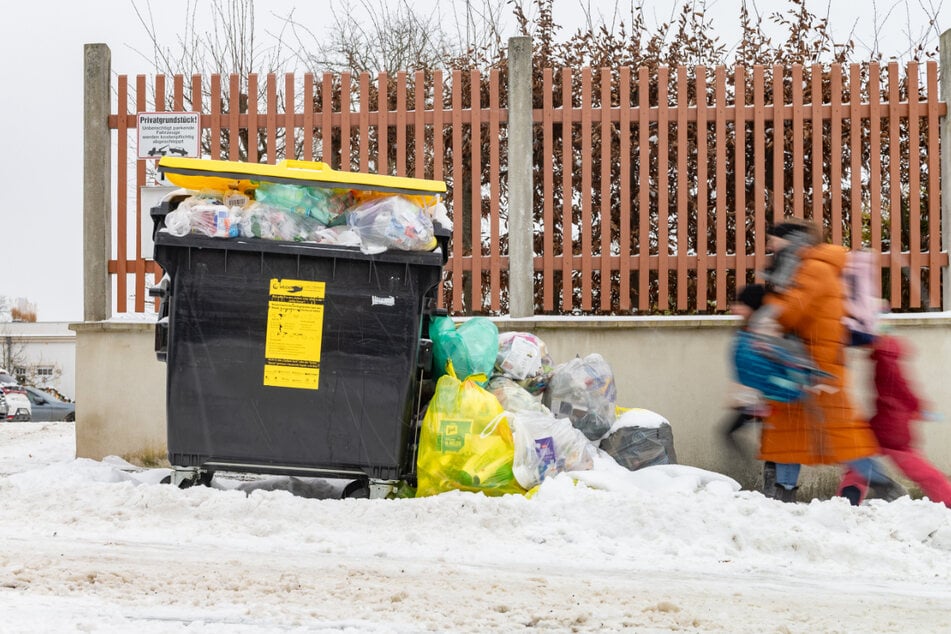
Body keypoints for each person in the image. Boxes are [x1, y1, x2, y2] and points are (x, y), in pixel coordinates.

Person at [755, 220, 891, 504]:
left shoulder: (814, 267)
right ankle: (785, 491)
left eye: (773, 240)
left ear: (791, 239)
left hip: (819, 365)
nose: (769, 247)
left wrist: (767, 311)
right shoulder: (803, 265)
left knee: (840, 431)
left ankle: (881, 482)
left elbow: (794, 311)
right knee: (787, 428)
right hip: (802, 362)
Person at [839, 334, 951, 506]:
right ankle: (946, 495)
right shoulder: (888, 360)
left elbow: (896, 390)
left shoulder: (885, 361)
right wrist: (917, 406)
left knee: (862, 456)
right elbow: (904, 388)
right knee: (913, 465)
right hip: (893, 422)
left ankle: (849, 497)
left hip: (887, 424)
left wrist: (916, 406)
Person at [721, 283, 776, 492]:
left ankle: (760, 481)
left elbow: (760, 367)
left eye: (740, 303)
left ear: (752, 306)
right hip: (753, 398)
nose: (735, 307)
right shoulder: (748, 329)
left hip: (762, 398)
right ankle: (760, 479)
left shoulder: (761, 331)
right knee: (731, 433)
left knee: (768, 441)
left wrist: (751, 398)